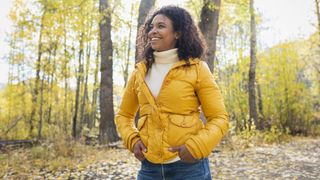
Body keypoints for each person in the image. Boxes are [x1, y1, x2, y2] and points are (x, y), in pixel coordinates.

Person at [115, 5, 229, 180]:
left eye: (161, 26)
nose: (152, 31)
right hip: (149, 168)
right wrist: (132, 139)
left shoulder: (197, 69)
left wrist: (197, 146)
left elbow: (219, 118)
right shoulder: (140, 71)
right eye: (151, 27)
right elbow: (123, 115)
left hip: (190, 169)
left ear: (178, 33)